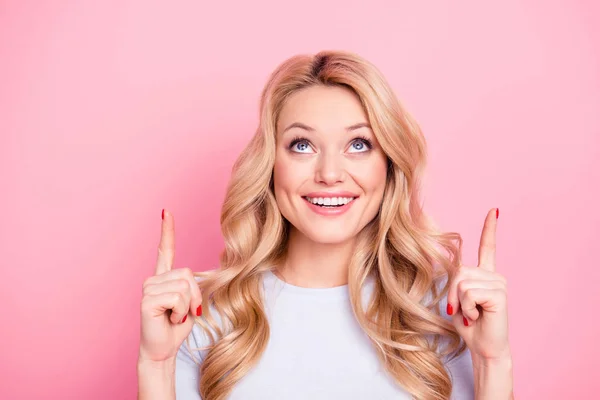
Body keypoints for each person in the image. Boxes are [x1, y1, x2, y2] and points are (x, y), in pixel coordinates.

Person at [137, 50, 514, 400]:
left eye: (359, 144)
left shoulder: (448, 311)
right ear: (270, 165)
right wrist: (156, 367)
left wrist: (492, 363)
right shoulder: (201, 318)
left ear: (389, 165)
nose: (330, 174)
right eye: (302, 145)